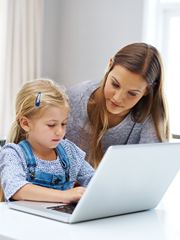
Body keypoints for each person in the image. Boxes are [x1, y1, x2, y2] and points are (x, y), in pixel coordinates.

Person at [65, 42, 170, 169]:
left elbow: (152, 169)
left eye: (132, 93)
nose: (117, 98)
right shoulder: (72, 99)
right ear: (110, 65)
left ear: (148, 90)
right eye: (115, 84)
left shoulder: (151, 114)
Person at [0, 79, 95, 202]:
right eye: (51, 125)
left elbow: (94, 180)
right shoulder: (14, 154)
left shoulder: (70, 151)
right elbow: (17, 189)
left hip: (60, 219)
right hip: (24, 221)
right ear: (26, 123)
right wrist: (64, 196)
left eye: (63, 123)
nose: (60, 131)